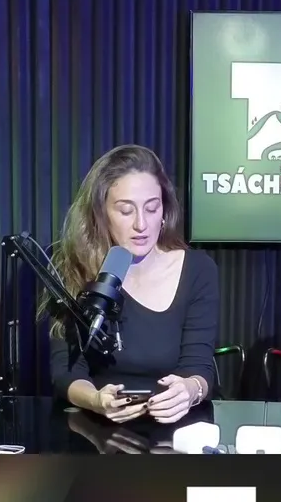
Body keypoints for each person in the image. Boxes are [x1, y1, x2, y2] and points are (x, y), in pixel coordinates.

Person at [46, 144, 219, 425]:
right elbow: (67, 371)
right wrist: (96, 400)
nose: (141, 224)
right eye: (126, 211)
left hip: (175, 427)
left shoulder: (199, 270)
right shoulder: (75, 268)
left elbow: (198, 367)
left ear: (164, 210)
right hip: (98, 427)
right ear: (101, 214)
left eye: (152, 208)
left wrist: (190, 390)